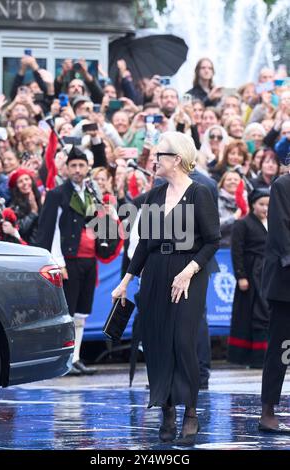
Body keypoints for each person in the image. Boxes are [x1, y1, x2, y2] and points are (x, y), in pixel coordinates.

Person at [111, 131, 220, 445]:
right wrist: (126, 281)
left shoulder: (200, 192)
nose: (154, 159)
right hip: (156, 273)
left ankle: (190, 412)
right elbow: (144, 244)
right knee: (157, 342)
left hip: (189, 273)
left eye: (159, 154)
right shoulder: (154, 195)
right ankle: (167, 410)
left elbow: (212, 241)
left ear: (176, 159)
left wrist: (188, 271)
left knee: (182, 341)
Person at [36, 146, 99, 376]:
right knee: (69, 313)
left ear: (87, 168)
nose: (77, 170)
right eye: (73, 165)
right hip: (68, 260)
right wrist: (58, 262)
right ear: (65, 168)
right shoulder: (57, 194)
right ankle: (66, 360)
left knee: (82, 312)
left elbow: (96, 226)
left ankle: (77, 357)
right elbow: (50, 230)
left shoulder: (91, 193)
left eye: (81, 165)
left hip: (88, 260)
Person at [259, 157, 290, 434]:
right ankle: (267, 409)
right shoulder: (283, 184)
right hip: (285, 283)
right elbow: (281, 234)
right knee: (280, 349)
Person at [228, 189, 270, 368]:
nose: (265, 209)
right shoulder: (242, 224)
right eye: (261, 204)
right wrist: (241, 276)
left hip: (269, 274)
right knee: (252, 314)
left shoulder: (274, 223)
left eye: (268, 205)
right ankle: (252, 357)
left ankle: (267, 355)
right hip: (252, 274)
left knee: (267, 313)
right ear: (253, 204)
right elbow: (236, 251)